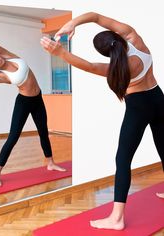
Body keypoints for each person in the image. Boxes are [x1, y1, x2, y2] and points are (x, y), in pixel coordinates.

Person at [40, 12, 164, 230]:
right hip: (158, 98)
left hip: (138, 107)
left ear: (106, 53)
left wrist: (60, 52)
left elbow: (87, 65)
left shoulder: (115, 68)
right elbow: (96, 17)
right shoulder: (135, 39)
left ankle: (116, 219)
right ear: (117, 35)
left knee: (123, 159)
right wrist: (73, 22)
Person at [0, 39, 66, 187]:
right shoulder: (1, 76)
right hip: (24, 103)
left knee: (43, 132)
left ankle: (51, 163)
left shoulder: (8, 55)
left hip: (38, 99)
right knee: (13, 138)